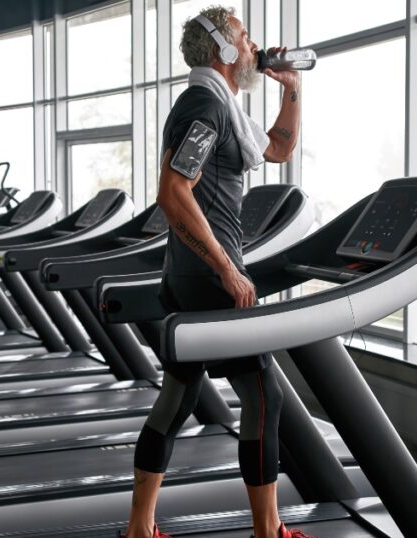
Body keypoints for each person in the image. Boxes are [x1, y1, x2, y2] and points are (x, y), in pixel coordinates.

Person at [122, 6, 309, 538]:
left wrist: (291, 88)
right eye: (245, 39)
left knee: (177, 398)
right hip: (210, 279)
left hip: (185, 275)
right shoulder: (206, 106)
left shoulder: (218, 106)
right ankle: (268, 533)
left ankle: (140, 530)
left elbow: (278, 148)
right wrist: (228, 269)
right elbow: (173, 192)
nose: (253, 47)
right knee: (263, 396)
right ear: (224, 51)